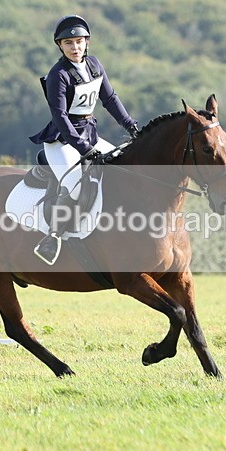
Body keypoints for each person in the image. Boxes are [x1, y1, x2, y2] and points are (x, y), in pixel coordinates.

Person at [29, 15, 140, 265]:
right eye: (68, 43)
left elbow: (109, 99)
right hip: (62, 140)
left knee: (121, 167)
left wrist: (131, 125)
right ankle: (53, 237)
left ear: (86, 42)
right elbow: (59, 116)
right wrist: (84, 148)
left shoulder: (94, 65)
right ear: (60, 46)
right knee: (75, 184)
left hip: (89, 133)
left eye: (79, 42)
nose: (75, 47)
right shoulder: (59, 74)